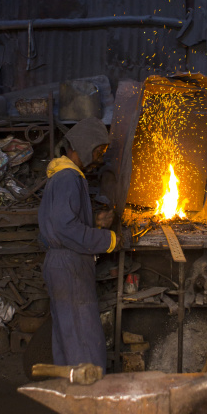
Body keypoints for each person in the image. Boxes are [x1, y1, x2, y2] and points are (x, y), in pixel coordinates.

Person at [38, 116, 122, 372]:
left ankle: (71, 398)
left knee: (68, 338)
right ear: (84, 146)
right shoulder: (69, 179)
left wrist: (94, 222)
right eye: (98, 151)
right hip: (69, 267)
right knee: (85, 342)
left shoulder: (61, 177)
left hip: (60, 263)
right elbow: (65, 230)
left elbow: (58, 225)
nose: (99, 158)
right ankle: (91, 400)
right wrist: (111, 240)